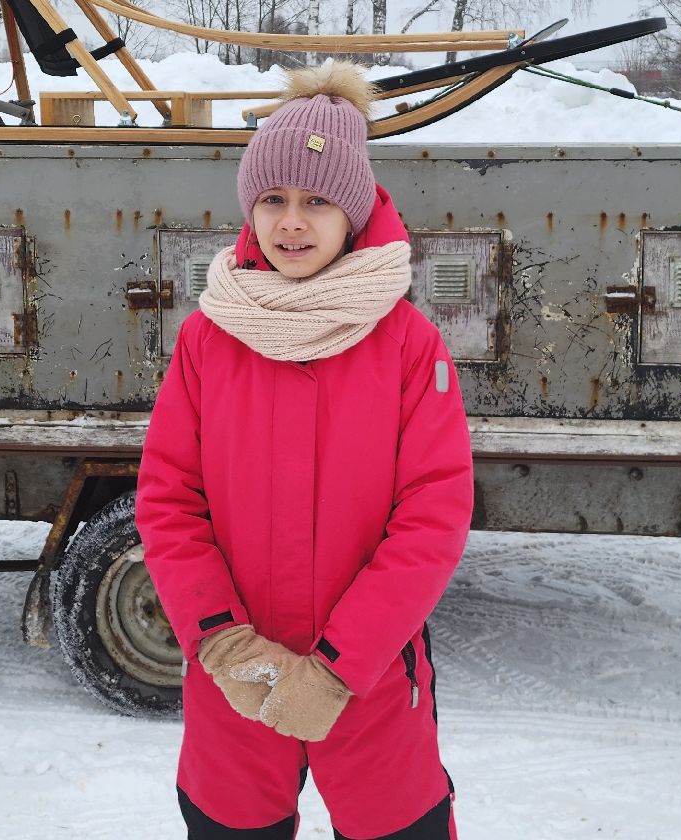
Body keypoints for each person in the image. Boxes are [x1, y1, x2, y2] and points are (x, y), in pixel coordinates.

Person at [136, 61, 475, 839]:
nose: (292, 221)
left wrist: (335, 667)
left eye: (317, 200)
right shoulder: (208, 337)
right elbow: (168, 500)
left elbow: (433, 517)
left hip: (368, 682)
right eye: (273, 199)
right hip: (236, 682)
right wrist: (221, 640)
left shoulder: (405, 343)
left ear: (352, 213)